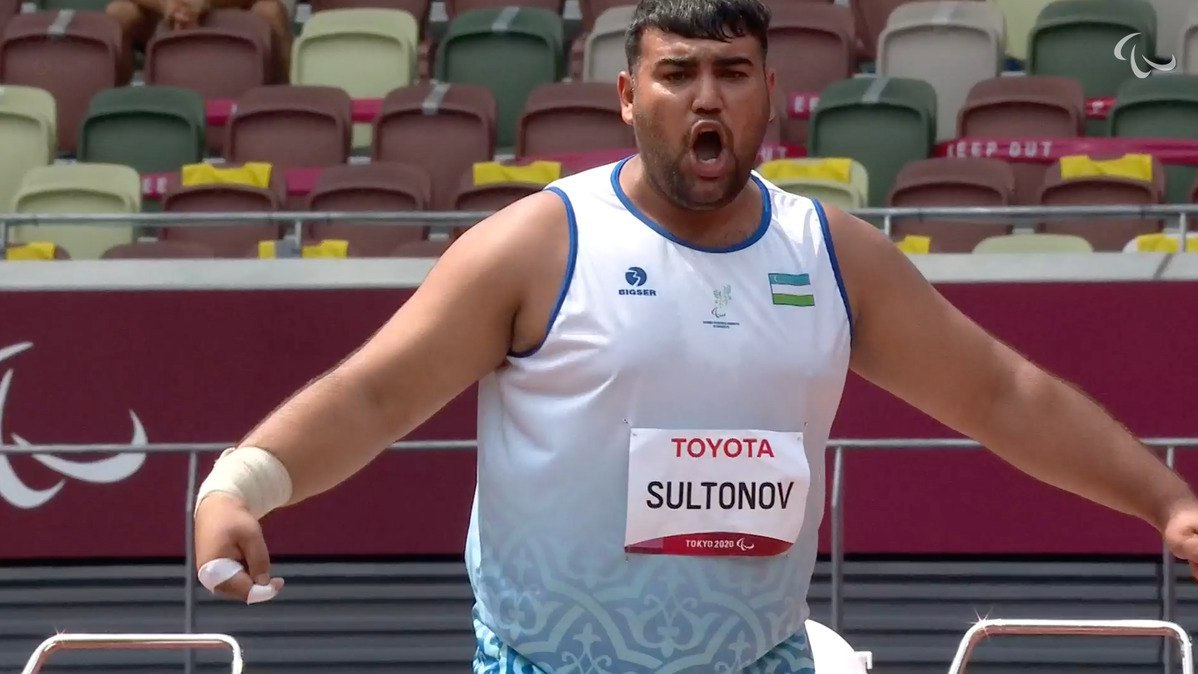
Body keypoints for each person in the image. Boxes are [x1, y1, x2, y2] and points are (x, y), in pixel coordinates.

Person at [192, 0, 1198, 670]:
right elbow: (375, 392)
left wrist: (1168, 501)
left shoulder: (829, 254)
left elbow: (1000, 393)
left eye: (732, 71)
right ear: (629, 97)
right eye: (677, 73)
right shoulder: (536, 244)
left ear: (771, 92)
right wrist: (242, 483)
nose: (707, 96)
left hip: (760, 660)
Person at [105, 0, 292, 82]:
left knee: (270, 11)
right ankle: (113, 109)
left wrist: (206, 2)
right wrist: (166, 4)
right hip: (164, 17)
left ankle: (283, 100)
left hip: (232, 14)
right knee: (119, 12)